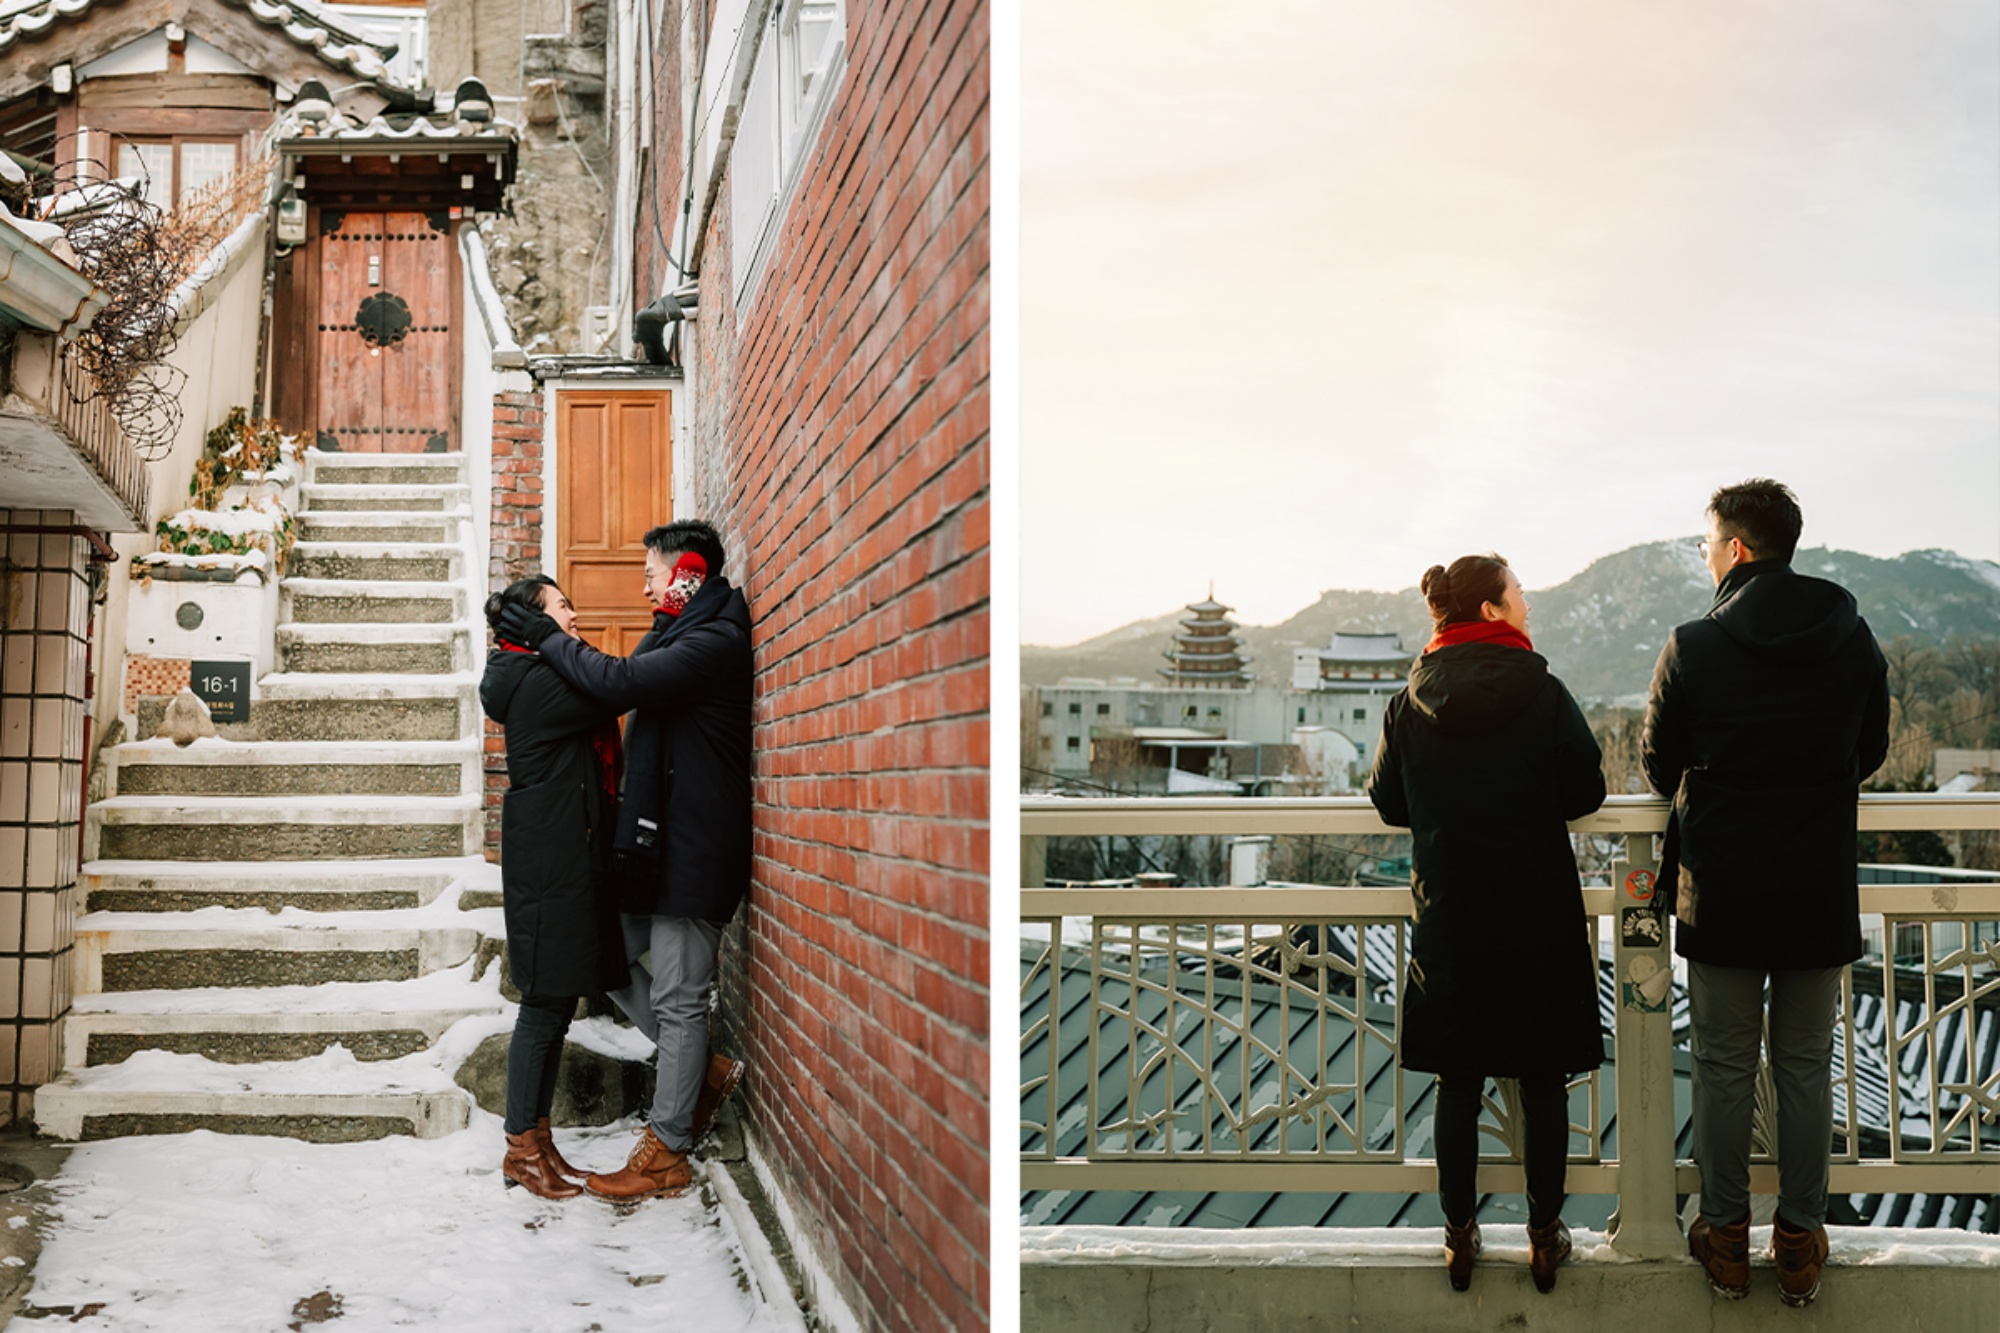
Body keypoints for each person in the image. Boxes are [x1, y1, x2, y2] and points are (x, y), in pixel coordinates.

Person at [1641, 479, 1888, 1307]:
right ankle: (1798, 1239)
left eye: (1710, 543)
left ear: (1736, 549)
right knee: (1805, 1066)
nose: (1706, 556)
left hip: (1724, 890)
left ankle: (1723, 1234)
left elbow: (1656, 762)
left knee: (1721, 1065)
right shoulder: (1852, 639)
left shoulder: (1693, 645)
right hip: (1817, 887)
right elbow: (1873, 747)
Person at [1368, 553, 1606, 1294]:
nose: (1528, 601)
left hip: (1452, 911)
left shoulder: (1412, 697)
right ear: (1494, 610)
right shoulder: (1543, 688)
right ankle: (1543, 1236)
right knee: (1542, 1079)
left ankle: (1459, 1235)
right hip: (1535, 908)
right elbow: (1587, 787)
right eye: (1520, 591)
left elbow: (1387, 799)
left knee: (1458, 1081)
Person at [497, 519, 751, 1202]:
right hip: (655, 849)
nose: (639, 585)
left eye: (652, 572)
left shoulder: (712, 637)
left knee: (678, 999)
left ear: (689, 572)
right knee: (603, 951)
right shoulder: (675, 628)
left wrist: (547, 636)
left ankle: (666, 1147)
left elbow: (619, 681)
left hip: (694, 847)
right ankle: (694, 1076)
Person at [478, 575, 629, 1200]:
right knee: (542, 1008)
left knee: (557, 1004)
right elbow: (613, 683)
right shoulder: (540, 683)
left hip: (562, 856)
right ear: (533, 622)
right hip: (549, 865)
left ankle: (538, 1142)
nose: (575, 612)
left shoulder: (537, 675)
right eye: (561, 605)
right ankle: (520, 1148)